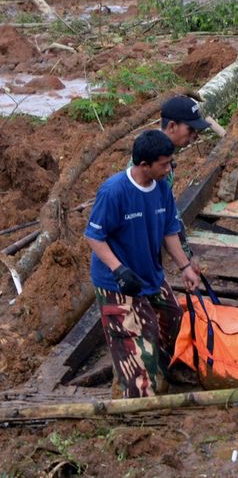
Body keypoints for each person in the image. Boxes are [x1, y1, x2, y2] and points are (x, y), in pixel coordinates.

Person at [85, 130, 200, 398]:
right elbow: (94, 236)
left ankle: (163, 371)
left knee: (173, 319)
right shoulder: (114, 192)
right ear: (144, 165)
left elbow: (169, 231)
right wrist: (119, 269)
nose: (169, 168)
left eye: (170, 162)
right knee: (136, 337)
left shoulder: (162, 188)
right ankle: (138, 400)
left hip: (150, 274)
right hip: (117, 281)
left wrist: (185, 267)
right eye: (164, 164)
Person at [127, 95, 211, 273]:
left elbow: (168, 213)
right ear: (172, 126)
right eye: (191, 130)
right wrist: (186, 259)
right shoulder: (152, 164)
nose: (195, 136)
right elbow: (165, 215)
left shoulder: (163, 158)